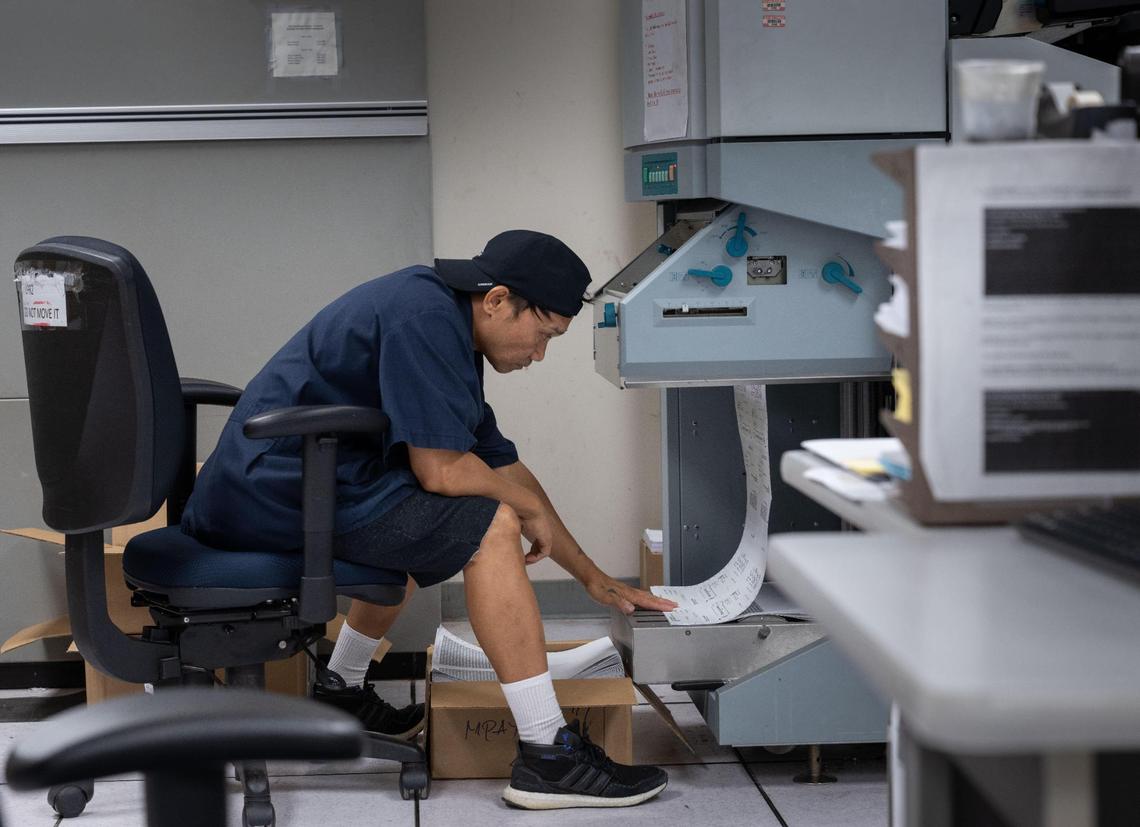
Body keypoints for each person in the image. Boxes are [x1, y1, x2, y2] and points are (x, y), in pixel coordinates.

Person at [181, 229, 678, 809]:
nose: (540, 354)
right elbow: (442, 471)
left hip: (306, 485)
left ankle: (340, 688)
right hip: (272, 494)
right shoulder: (424, 319)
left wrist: (592, 576)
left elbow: (504, 466)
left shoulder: (447, 324)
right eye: (542, 335)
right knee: (485, 526)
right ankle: (548, 754)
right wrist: (522, 511)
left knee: (439, 524)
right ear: (496, 300)